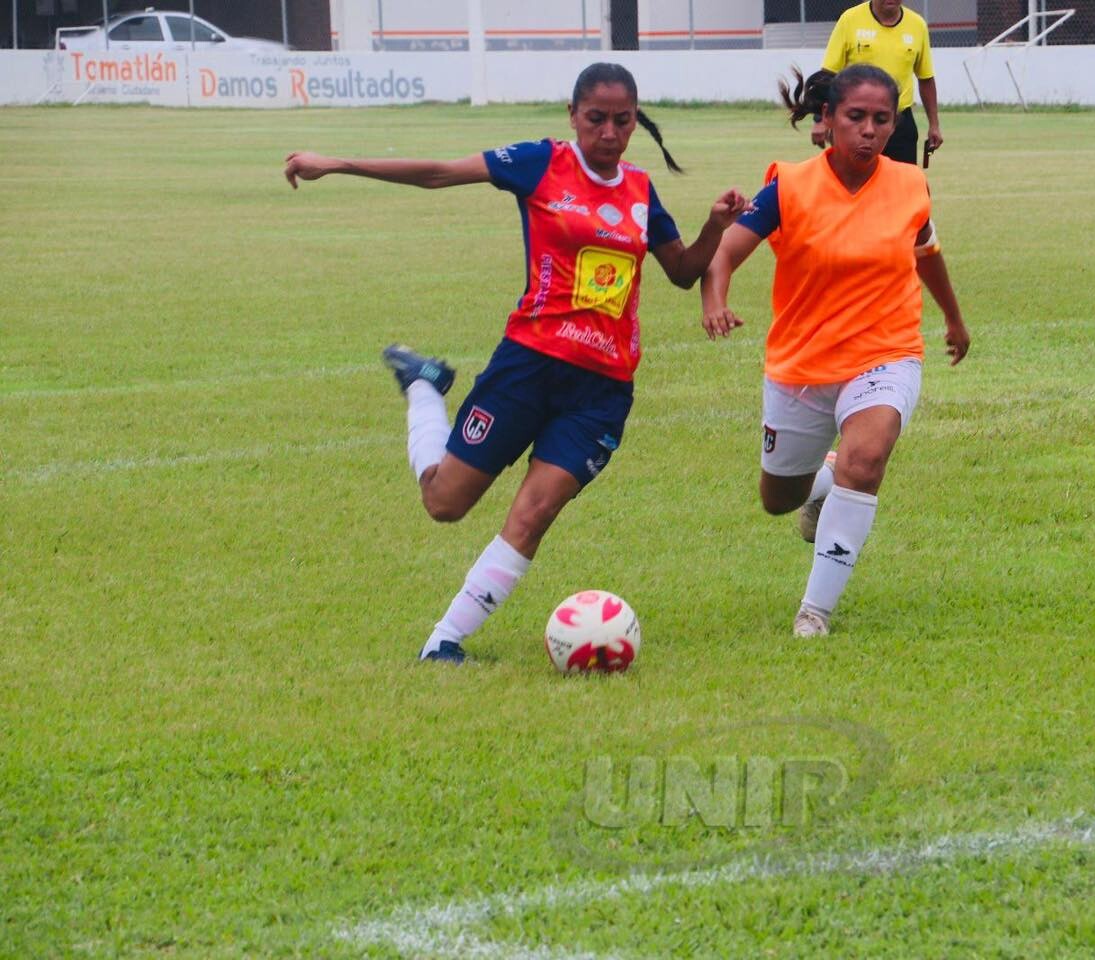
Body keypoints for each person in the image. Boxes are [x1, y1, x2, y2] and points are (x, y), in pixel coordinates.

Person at [284, 63, 749, 663]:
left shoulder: (638, 189)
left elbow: (684, 272)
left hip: (603, 390)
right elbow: (440, 173)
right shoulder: (540, 163)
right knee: (445, 503)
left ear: (637, 119)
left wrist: (714, 227)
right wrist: (340, 163)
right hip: (528, 366)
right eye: (596, 119)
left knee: (534, 513)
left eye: (623, 120)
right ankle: (425, 388)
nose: (609, 132)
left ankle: (444, 642)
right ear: (572, 115)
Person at [701, 65, 970, 638]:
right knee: (779, 499)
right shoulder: (790, 186)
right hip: (801, 366)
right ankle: (820, 483)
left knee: (866, 461)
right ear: (826, 119)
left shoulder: (909, 183)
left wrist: (951, 317)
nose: (869, 131)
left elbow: (925, 250)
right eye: (856, 118)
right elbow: (724, 253)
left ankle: (814, 611)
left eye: (882, 119)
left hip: (887, 350)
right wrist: (715, 300)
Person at [810, 0, 942, 165]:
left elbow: (926, 79)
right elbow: (828, 75)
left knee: (901, 186)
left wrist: (934, 125)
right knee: (854, 185)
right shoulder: (850, 20)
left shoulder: (917, 25)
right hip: (857, 122)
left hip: (900, 123)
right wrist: (819, 120)